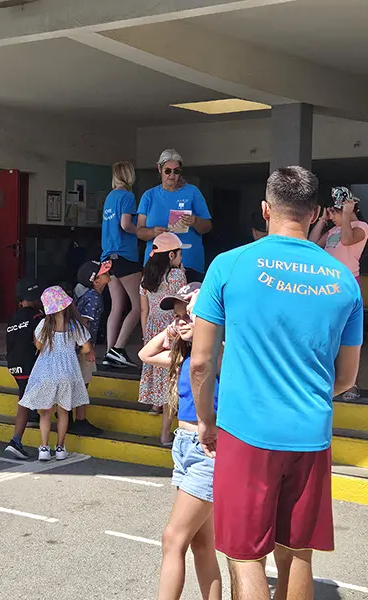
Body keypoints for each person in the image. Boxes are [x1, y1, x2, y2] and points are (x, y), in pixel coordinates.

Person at [191, 166, 363, 600]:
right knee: (298, 553)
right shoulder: (344, 279)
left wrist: (206, 421)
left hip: (246, 430)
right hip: (310, 433)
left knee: (245, 556)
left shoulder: (230, 264)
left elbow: (200, 362)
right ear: (317, 213)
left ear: (266, 209)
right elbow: (346, 378)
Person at [139, 282, 222, 600]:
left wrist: (203, 312)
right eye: (177, 314)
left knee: (173, 539)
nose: (182, 319)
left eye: (189, 313)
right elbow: (146, 354)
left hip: (208, 450)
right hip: (184, 447)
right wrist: (172, 331)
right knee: (201, 543)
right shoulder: (182, 359)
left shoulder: (219, 354)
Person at [18, 286, 93, 462]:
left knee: (45, 412)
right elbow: (87, 348)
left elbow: (38, 346)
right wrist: (75, 352)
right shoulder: (75, 325)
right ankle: (60, 447)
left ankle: (44, 447)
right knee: (64, 412)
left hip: (46, 371)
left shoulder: (44, 324)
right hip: (68, 371)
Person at [140, 232, 189, 446]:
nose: (181, 258)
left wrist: (145, 334)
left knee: (156, 369)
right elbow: (183, 304)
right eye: (179, 253)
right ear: (171, 255)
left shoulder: (145, 278)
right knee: (172, 378)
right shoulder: (177, 276)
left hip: (152, 329)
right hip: (170, 330)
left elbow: (143, 310)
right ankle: (165, 434)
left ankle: (155, 404)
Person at [136, 149, 212, 283]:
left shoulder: (192, 192)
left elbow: (207, 226)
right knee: (155, 303)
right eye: (167, 171)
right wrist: (153, 232)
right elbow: (139, 231)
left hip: (188, 262)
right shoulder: (149, 196)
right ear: (159, 168)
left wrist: (195, 221)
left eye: (176, 171)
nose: (172, 175)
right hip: (156, 264)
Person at [101, 161, 141, 369]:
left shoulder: (110, 197)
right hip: (125, 255)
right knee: (139, 305)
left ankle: (110, 352)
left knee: (116, 306)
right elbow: (125, 224)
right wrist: (142, 231)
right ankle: (119, 348)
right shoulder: (127, 196)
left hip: (108, 256)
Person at [4, 278, 44, 460]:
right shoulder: (38, 318)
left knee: (24, 398)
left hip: (14, 365)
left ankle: (18, 438)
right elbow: (41, 343)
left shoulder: (14, 318)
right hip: (31, 365)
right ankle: (16, 441)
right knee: (34, 401)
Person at [72, 260, 111, 436]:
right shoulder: (93, 297)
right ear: (95, 280)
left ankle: (70, 413)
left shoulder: (87, 294)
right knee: (83, 382)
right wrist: (89, 348)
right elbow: (84, 324)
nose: (107, 274)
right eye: (104, 273)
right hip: (83, 347)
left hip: (79, 345)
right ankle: (80, 419)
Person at [309, 187, 368, 283]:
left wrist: (346, 213)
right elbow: (313, 244)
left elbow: (346, 240)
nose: (331, 217)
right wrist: (323, 219)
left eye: (333, 212)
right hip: (329, 277)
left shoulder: (361, 226)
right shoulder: (334, 230)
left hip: (346, 279)